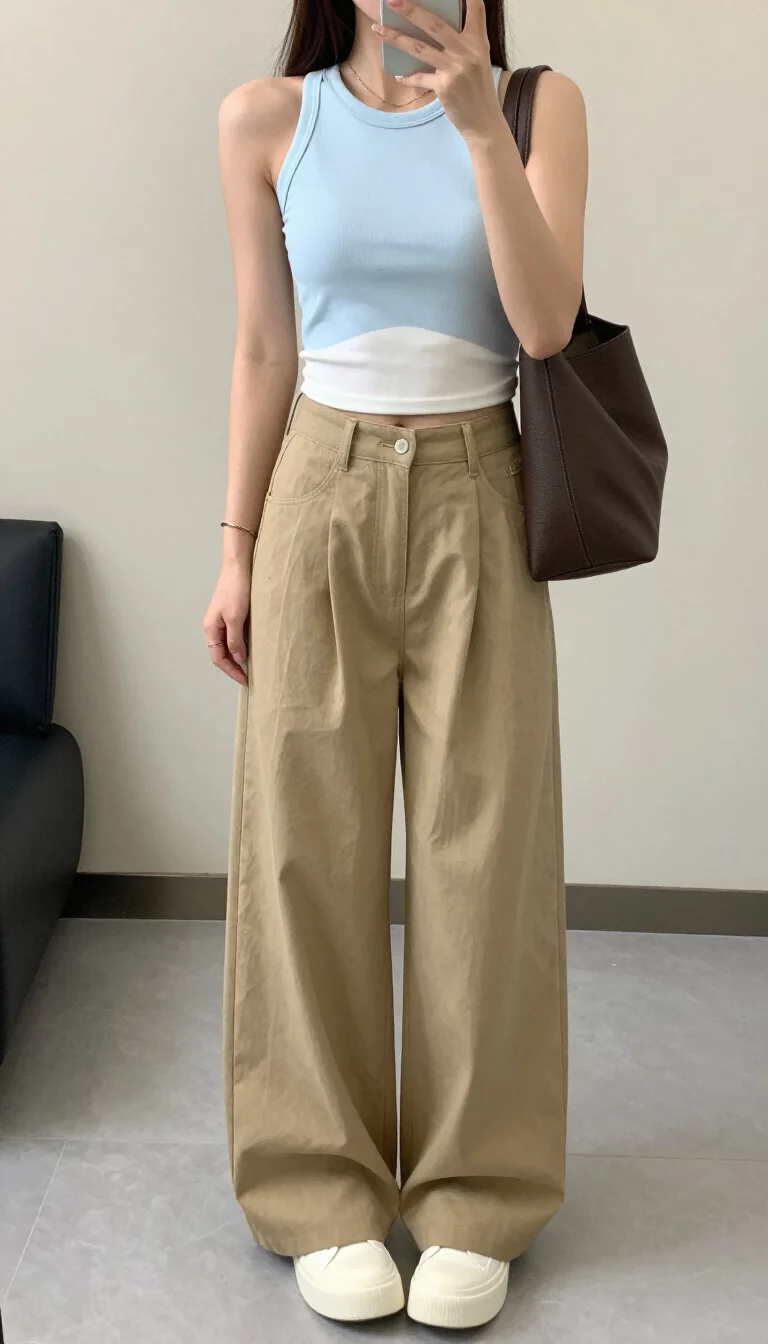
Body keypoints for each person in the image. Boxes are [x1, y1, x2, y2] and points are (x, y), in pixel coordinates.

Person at [204, 0, 587, 1328]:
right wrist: (238, 546)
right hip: (321, 484)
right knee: (304, 840)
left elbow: (546, 330)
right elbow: (264, 346)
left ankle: (477, 1192)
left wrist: (480, 130)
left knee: (488, 844)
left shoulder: (540, 104)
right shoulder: (270, 119)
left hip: (482, 483)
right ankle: (318, 1184)